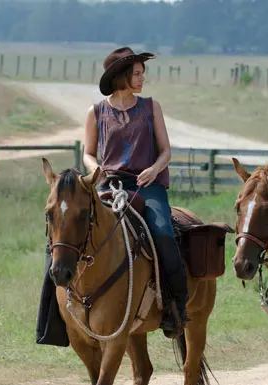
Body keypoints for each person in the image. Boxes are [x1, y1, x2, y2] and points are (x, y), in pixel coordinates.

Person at [81, 47, 189, 333]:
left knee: (164, 233)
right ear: (121, 76)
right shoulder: (96, 112)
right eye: (137, 73)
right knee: (73, 230)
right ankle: (60, 309)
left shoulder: (151, 107)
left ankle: (177, 305)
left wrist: (154, 169)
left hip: (147, 186)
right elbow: (88, 153)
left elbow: (166, 151)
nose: (143, 78)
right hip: (109, 185)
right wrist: (94, 169)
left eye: (143, 73)